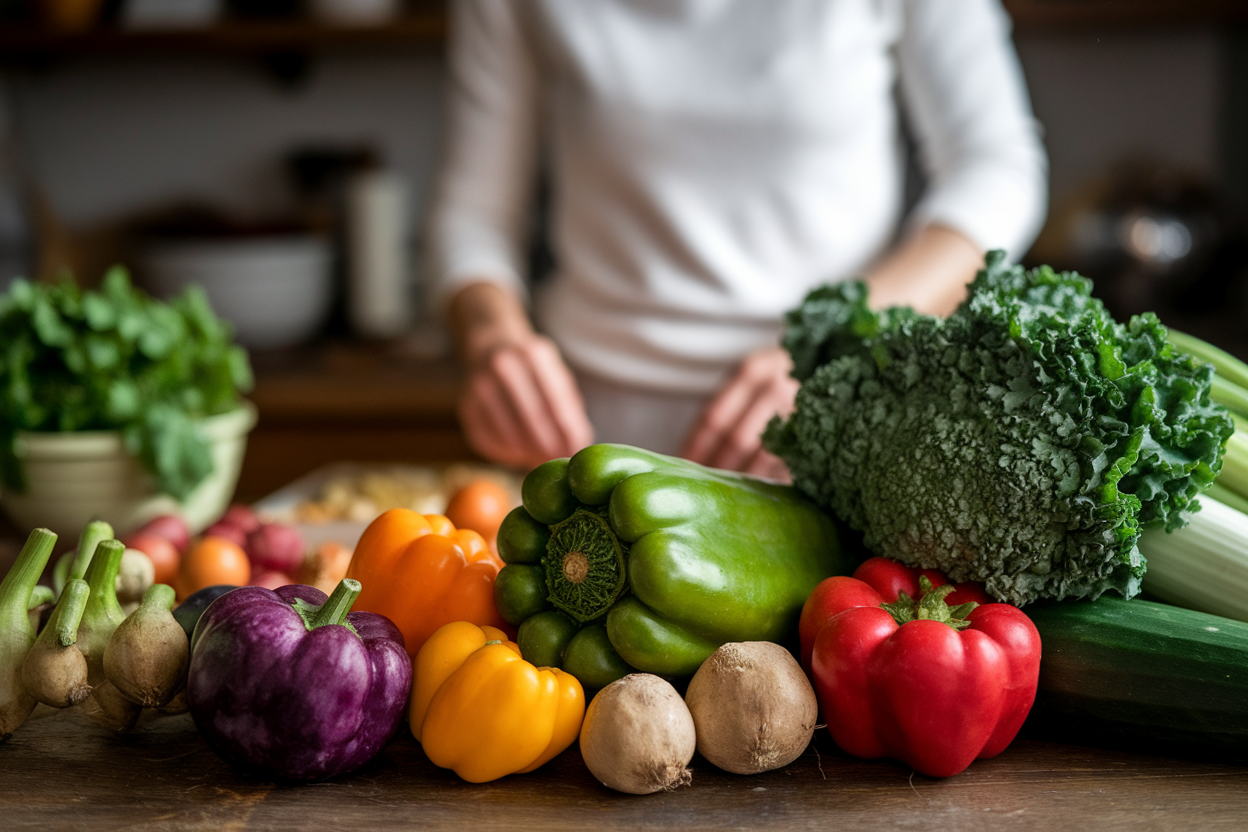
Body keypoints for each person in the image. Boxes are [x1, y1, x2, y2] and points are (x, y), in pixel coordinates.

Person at [427, 0, 1047, 477]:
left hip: (828, 429)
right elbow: (475, 211)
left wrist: (838, 345)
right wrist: (492, 340)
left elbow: (997, 166)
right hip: (584, 435)